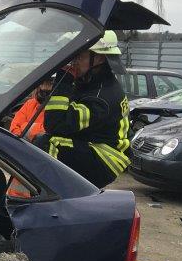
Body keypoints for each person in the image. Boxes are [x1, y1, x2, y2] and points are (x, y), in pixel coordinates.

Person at [36, 30, 129, 188]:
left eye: (79, 56)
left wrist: (63, 80)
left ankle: (51, 195)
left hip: (105, 159)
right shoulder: (93, 84)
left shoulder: (99, 98)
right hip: (92, 147)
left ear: (99, 58)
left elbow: (54, 125)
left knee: (48, 144)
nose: (73, 62)